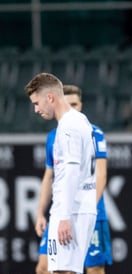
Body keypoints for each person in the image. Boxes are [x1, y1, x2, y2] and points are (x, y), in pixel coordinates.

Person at [34, 85, 113, 274]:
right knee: (46, 268)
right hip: (62, 212)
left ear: (81, 105)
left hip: (87, 209)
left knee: (93, 268)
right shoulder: (53, 137)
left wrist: (89, 206)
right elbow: (48, 176)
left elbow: (101, 174)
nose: (72, 109)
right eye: (68, 105)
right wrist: (40, 213)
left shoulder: (94, 133)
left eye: (75, 104)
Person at [25, 73, 97, 274]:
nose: (36, 109)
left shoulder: (68, 127)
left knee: (61, 271)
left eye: (36, 103)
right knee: (62, 271)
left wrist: (64, 216)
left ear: (50, 97)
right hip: (77, 208)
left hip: (71, 210)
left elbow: (72, 172)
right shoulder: (80, 120)